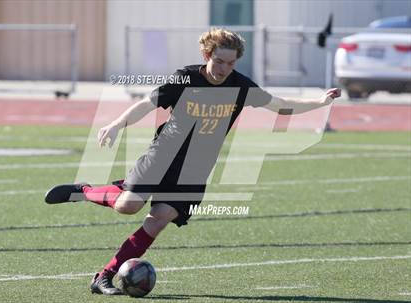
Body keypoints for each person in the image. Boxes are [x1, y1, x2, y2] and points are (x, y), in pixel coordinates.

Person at [45, 28, 341, 295]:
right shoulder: (186, 78)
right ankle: (82, 192)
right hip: (163, 154)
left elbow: (281, 105)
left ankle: (104, 276)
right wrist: (115, 125)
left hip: (196, 169)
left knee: (158, 220)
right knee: (128, 206)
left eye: (231, 63)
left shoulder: (240, 86)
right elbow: (146, 104)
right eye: (219, 61)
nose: (225, 69)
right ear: (206, 54)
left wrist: (320, 103)